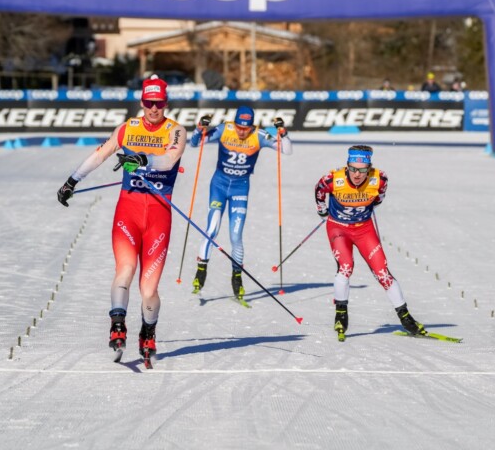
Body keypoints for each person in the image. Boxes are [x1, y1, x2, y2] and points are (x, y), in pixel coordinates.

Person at [56, 74, 187, 362]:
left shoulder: (176, 131)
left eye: (159, 103)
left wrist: (142, 159)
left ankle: (148, 331)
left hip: (158, 216)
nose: (154, 108)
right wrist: (72, 181)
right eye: (149, 103)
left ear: (166, 103)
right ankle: (117, 325)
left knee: (148, 289)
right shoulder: (127, 128)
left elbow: (169, 160)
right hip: (128, 211)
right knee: (125, 270)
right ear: (142, 102)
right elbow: (100, 155)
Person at [314, 145, 426, 341]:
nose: (357, 174)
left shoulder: (379, 179)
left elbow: (379, 198)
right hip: (339, 228)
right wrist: (322, 211)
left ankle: (406, 317)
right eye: (353, 169)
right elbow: (319, 191)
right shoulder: (332, 179)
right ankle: (341, 315)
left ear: (369, 168)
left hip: (364, 229)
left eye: (363, 170)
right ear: (347, 166)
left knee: (382, 271)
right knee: (346, 267)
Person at [189, 105, 293, 301]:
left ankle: (237, 277)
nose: (242, 132)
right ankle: (201, 271)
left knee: (236, 236)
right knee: (212, 229)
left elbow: (287, 150)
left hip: (240, 188)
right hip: (219, 186)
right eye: (239, 127)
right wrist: (199, 128)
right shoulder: (224, 129)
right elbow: (195, 143)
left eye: (246, 128)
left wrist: (283, 133)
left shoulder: (259, 135)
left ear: (252, 126)